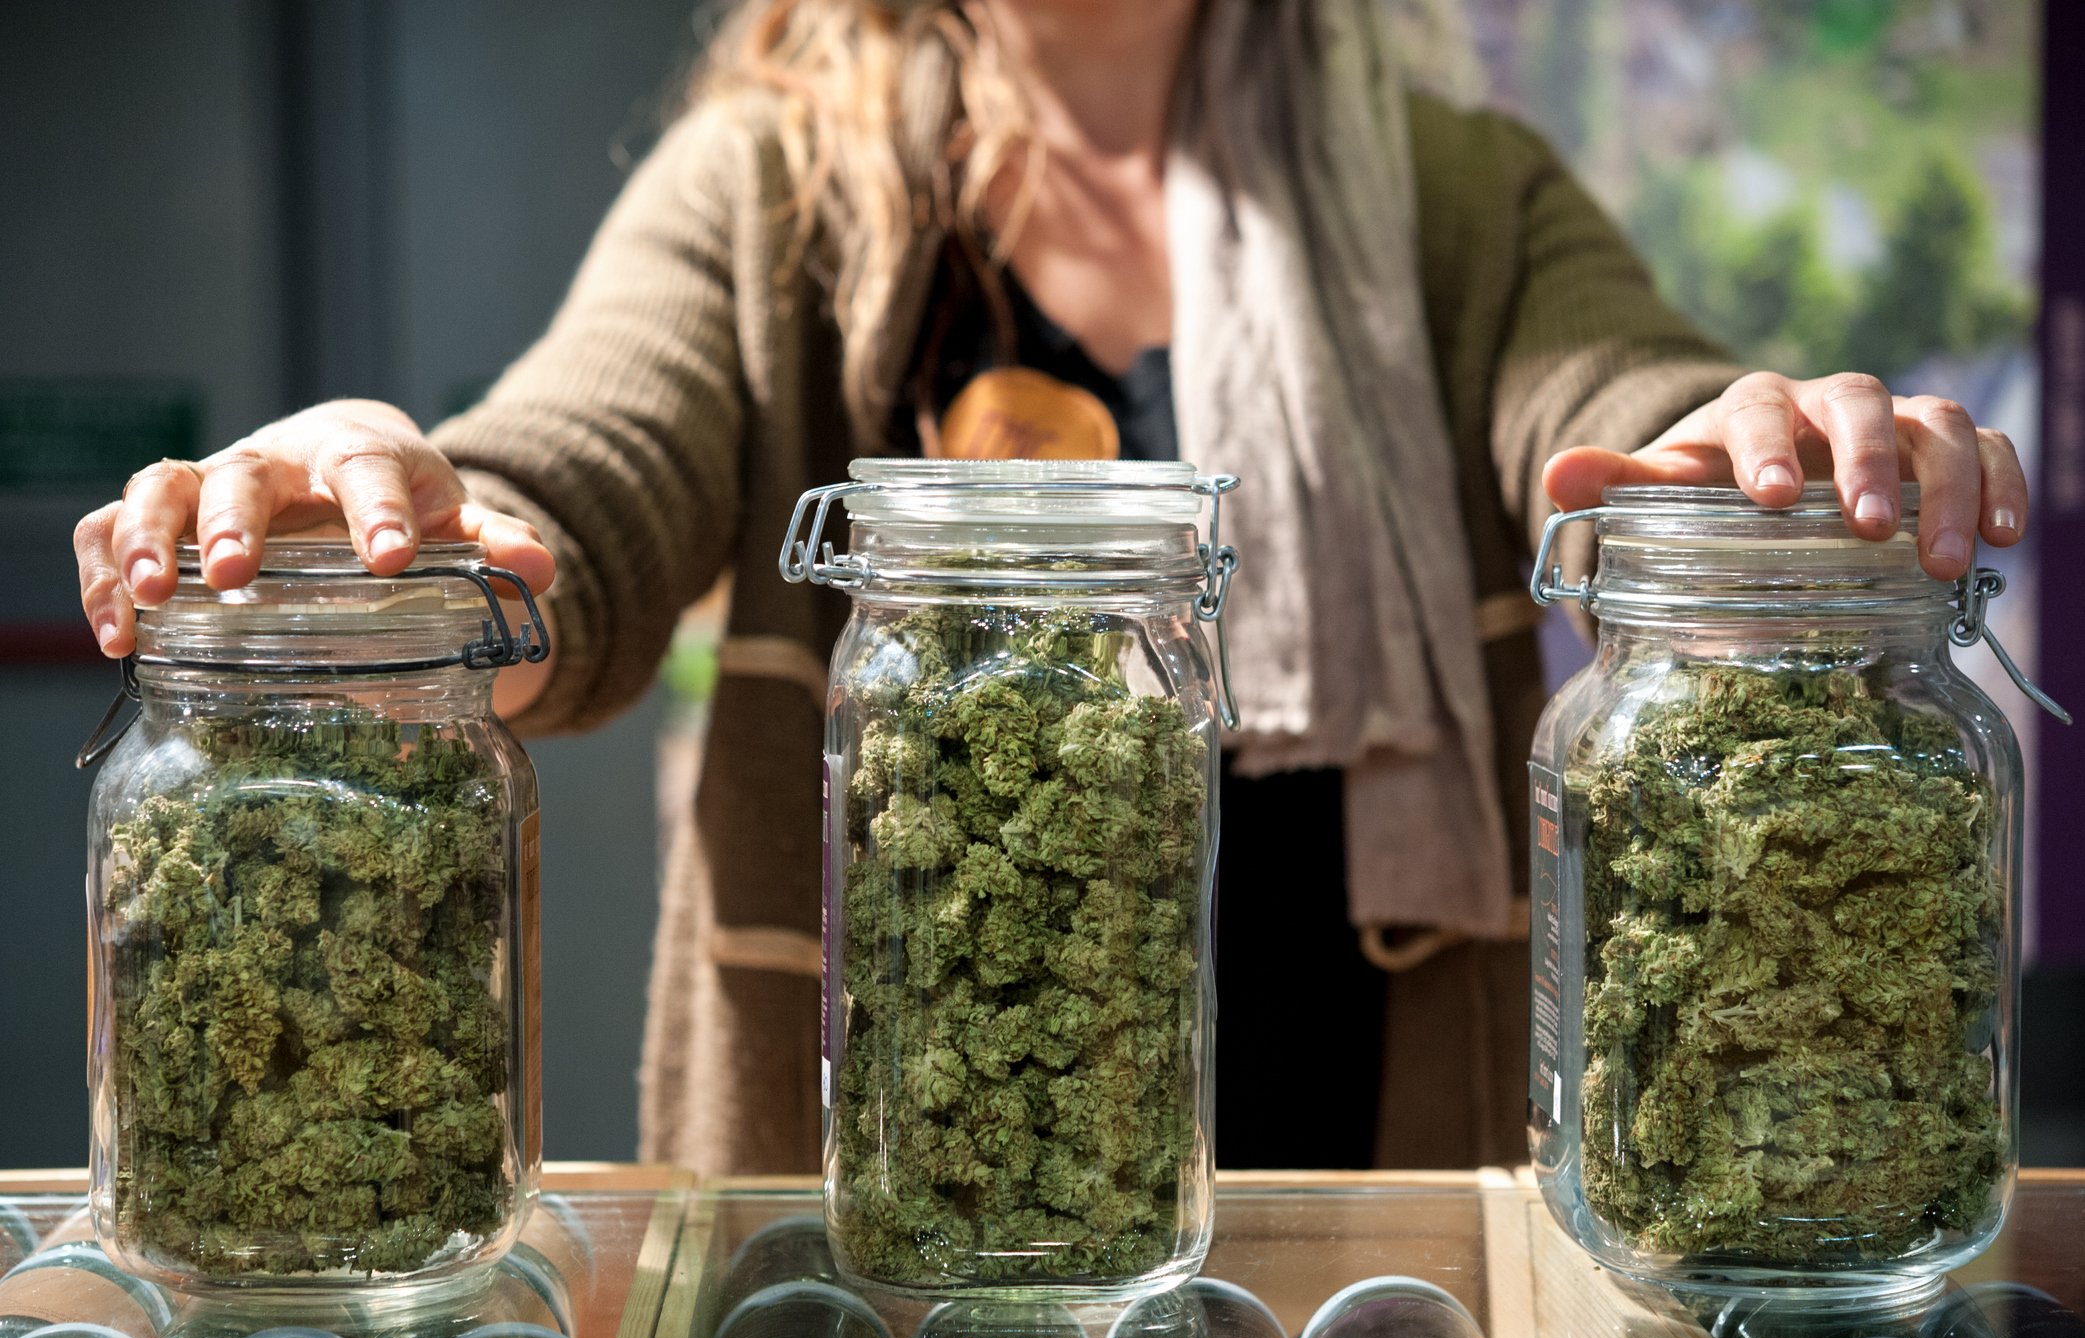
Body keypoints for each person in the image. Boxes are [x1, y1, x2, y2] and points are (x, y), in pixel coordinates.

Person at [72, 0, 2029, 1176]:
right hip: (887, 1178)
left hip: (1368, 1153)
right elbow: (582, 470)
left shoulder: (1458, 198)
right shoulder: (768, 194)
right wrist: (405, 530)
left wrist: (1737, 456)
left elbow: (1615, 406)